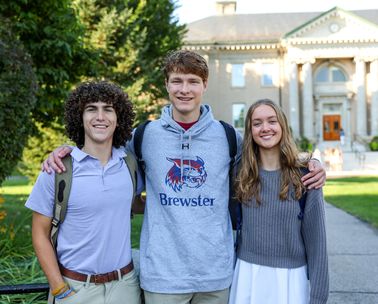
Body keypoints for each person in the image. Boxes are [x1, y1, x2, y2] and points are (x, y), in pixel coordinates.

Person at [42, 50, 326, 304]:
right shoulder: (144, 136)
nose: (184, 89)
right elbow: (102, 154)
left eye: (192, 81)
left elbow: (267, 156)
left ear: (204, 85)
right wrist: (67, 150)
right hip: (163, 278)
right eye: (177, 81)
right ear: (166, 85)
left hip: (216, 276)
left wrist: (312, 162)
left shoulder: (228, 137)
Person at [26, 81, 142, 304]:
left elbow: (135, 203)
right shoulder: (57, 170)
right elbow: (40, 233)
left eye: (108, 109)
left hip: (125, 287)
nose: (100, 116)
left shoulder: (129, 164)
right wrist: (59, 288)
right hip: (76, 289)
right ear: (79, 117)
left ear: (119, 119)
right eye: (91, 109)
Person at [229, 99, 329, 304]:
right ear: (250, 130)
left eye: (272, 121)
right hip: (247, 274)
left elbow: (317, 243)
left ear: (282, 125)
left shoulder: (305, 176)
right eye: (257, 123)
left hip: (290, 279)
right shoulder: (240, 173)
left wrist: (318, 296)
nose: (265, 128)